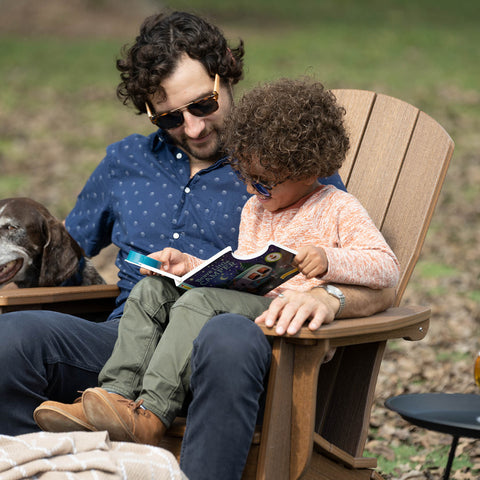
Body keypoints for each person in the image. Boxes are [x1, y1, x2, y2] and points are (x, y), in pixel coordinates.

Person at [0, 10, 394, 479]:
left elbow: (379, 280)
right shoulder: (125, 161)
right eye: (169, 116)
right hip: (127, 344)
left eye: (202, 105)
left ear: (225, 73)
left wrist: (328, 297)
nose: (192, 128)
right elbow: (62, 254)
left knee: (225, 334)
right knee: (13, 337)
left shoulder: (282, 167)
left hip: (226, 352)